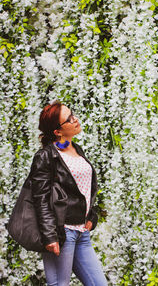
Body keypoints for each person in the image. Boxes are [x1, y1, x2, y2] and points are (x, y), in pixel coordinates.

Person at [30, 100, 107, 286]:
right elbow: (40, 198)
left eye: (73, 114)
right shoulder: (46, 156)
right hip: (61, 232)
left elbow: (82, 189)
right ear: (57, 132)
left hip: (81, 232)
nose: (75, 119)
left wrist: (91, 215)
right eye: (69, 119)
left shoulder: (75, 150)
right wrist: (49, 235)